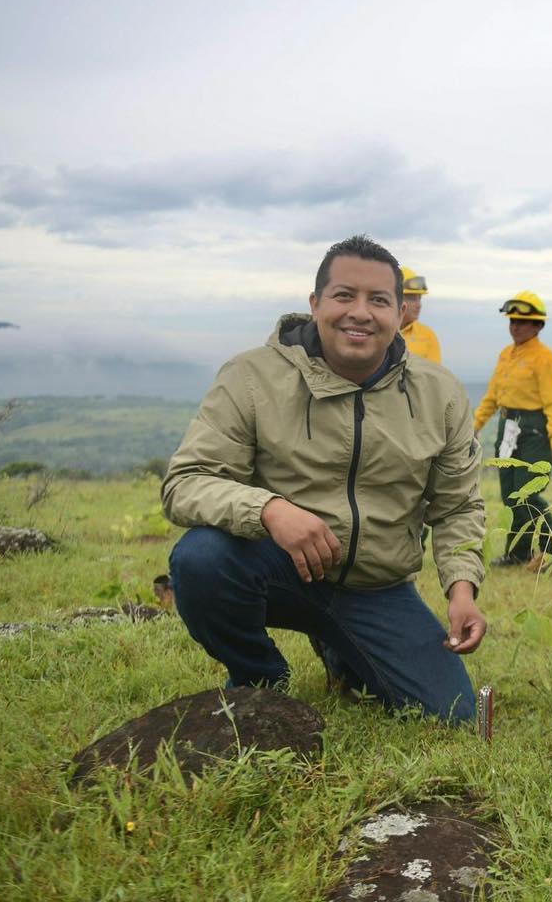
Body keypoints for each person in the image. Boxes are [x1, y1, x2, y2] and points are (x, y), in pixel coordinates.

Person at [161, 235, 487, 724]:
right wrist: (271, 510)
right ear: (315, 305)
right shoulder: (252, 376)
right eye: (343, 296)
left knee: (453, 715)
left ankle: (344, 651)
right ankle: (259, 677)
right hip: (280, 568)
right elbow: (186, 482)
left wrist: (462, 589)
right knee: (202, 559)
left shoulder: (438, 393)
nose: (360, 312)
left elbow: (457, 505)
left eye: (379, 300)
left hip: (377, 585)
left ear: (401, 314)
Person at [474, 291, 552, 570]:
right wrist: (474, 426)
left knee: (524, 495)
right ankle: (520, 554)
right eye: (513, 320)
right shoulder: (506, 354)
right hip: (508, 427)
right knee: (509, 496)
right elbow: (493, 396)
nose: (516, 326)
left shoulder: (544, 358)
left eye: (523, 322)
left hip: (534, 431)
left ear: (538, 326)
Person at [398, 266, 442, 363]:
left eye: (419, 298)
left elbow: (433, 375)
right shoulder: (377, 332)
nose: (419, 305)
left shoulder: (427, 336)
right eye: (412, 298)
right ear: (395, 298)